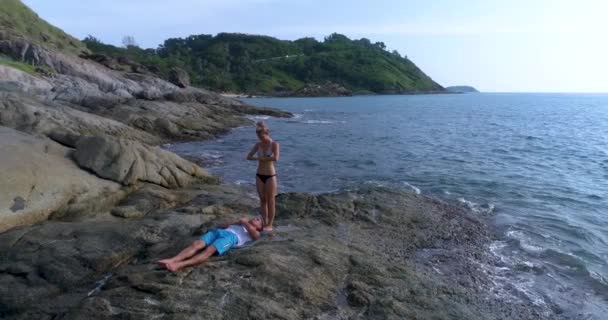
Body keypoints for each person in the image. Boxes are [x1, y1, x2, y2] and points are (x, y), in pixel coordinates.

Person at [157, 216, 263, 272]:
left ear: (259, 227)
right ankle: (173, 259)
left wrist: (244, 222)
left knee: (209, 251)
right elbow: (222, 225)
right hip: (219, 232)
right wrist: (237, 222)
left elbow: (254, 235)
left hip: (231, 238)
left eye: (258, 220)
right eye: (256, 217)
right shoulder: (241, 224)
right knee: (196, 244)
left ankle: (179, 265)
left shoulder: (256, 233)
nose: (255, 218)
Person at [247, 121, 280, 231]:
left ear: (266, 133)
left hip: (270, 175)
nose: (260, 138)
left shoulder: (274, 144)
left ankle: (270, 224)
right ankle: (264, 222)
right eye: (258, 136)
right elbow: (249, 156)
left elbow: (276, 158)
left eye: (261, 136)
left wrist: (265, 158)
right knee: (262, 200)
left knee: (271, 200)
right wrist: (257, 158)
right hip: (259, 174)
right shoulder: (258, 144)